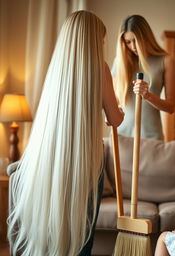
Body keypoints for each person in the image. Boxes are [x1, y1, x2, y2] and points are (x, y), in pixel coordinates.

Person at [7, 11, 123, 256]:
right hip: (86, 160)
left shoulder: (57, 69)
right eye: (101, 41)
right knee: (81, 232)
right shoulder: (99, 69)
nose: (102, 45)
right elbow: (114, 119)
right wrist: (118, 109)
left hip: (50, 157)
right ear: (92, 41)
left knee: (52, 223)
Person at [111, 14, 175, 140]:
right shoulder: (119, 62)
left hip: (152, 137)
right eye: (128, 42)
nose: (133, 46)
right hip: (121, 135)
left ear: (146, 37)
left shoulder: (166, 61)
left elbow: (170, 107)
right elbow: (115, 102)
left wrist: (147, 95)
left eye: (136, 40)